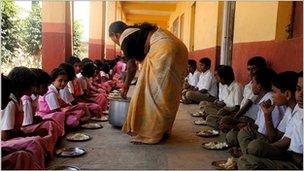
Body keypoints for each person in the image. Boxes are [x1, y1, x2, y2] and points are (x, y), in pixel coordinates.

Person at [109, 22, 188, 144]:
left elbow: (131, 67)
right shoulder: (137, 32)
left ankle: (151, 134)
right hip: (179, 47)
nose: (116, 42)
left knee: (151, 94)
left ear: (115, 35)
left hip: (164, 48)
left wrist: (125, 88)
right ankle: (163, 130)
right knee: (169, 92)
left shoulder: (124, 37)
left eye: (113, 40)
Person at [238, 71, 303, 169]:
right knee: (250, 141)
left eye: (274, 92)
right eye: (298, 89)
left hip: (294, 160)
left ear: (287, 94)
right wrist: (267, 115)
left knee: (253, 149)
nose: (300, 94)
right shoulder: (294, 110)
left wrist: (264, 149)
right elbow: (279, 138)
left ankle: (248, 155)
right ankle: (248, 155)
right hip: (287, 153)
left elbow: (272, 139)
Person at [219, 56, 267, 132]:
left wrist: (234, 118)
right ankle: (231, 128)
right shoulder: (248, 85)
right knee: (223, 118)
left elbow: (247, 104)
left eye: (254, 69)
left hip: (249, 119)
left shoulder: (259, 87)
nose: (251, 72)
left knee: (225, 120)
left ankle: (233, 129)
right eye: (248, 69)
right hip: (242, 116)